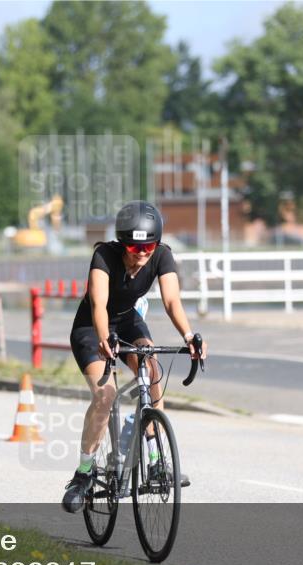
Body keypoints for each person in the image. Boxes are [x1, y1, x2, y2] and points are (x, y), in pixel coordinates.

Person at [62, 201, 207, 513]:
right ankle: (84, 473)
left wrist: (188, 336)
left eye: (148, 246)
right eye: (134, 246)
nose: (142, 253)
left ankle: (155, 461)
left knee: (152, 373)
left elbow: (171, 301)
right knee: (106, 396)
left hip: (128, 321)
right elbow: (98, 305)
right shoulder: (104, 255)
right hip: (91, 327)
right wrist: (103, 338)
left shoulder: (163, 255)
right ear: (122, 242)